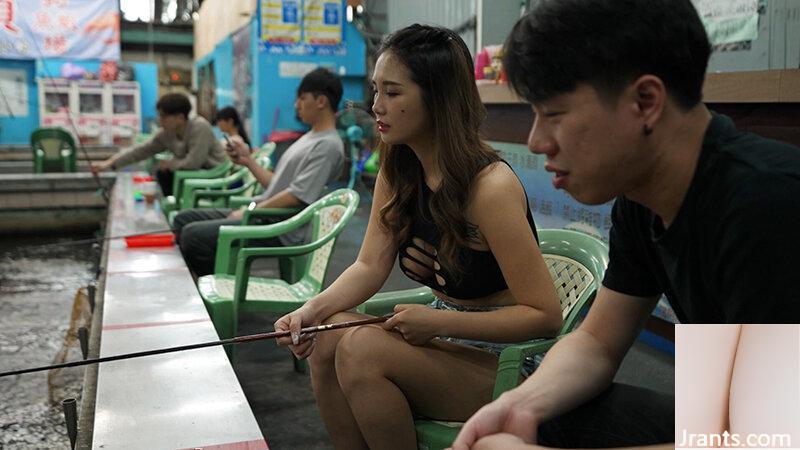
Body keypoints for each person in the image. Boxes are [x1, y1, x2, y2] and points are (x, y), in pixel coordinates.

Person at [451, 0, 800, 449]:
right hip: (749, 417)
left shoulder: (767, 203)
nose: (537, 141)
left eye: (554, 115)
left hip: (775, 428)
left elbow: (768, 439)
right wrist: (520, 404)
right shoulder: (644, 199)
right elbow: (598, 340)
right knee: (542, 420)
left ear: (646, 101)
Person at [273, 24, 562, 450]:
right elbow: (370, 264)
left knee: (362, 351)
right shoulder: (398, 166)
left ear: (438, 98)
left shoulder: (489, 187)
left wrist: (439, 321)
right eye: (375, 91)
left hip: (507, 360)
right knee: (326, 332)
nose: (376, 107)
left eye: (393, 93)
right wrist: (309, 311)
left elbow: (544, 315)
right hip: (442, 339)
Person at [172, 68, 345, 277]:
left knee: (193, 236)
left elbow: (296, 196)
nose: (296, 105)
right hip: (264, 214)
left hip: (281, 226)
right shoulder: (310, 137)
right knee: (183, 219)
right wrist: (247, 161)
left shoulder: (328, 146)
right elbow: (278, 185)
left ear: (321, 101)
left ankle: (214, 293)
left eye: (302, 98)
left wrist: (250, 211)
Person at [91, 93, 226, 196]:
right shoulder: (166, 134)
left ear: (180, 117)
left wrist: (170, 164)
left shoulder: (200, 127)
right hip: (192, 175)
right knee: (162, 173)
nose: (160, 120)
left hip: (217, 175)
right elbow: (140, 151)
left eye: (163, 116)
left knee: (165, 172)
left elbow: (194, 162)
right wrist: (109, 163)